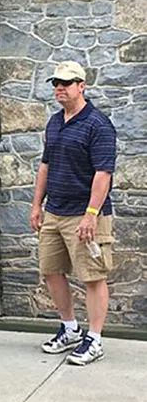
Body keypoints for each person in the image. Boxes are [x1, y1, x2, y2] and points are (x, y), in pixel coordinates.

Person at [31, 61, 117, 366]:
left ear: (82, 85)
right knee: (51, 271)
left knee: (92, 276)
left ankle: (94, 339)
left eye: (66, 83)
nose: (60, 88)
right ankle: (70, 329)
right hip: (54, 212)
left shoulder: (98, 124)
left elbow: (103, 173)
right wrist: (36, 204)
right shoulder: (55, 122)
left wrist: (91, 214)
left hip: (85, 214)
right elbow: (45, 166)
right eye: (56, 83)